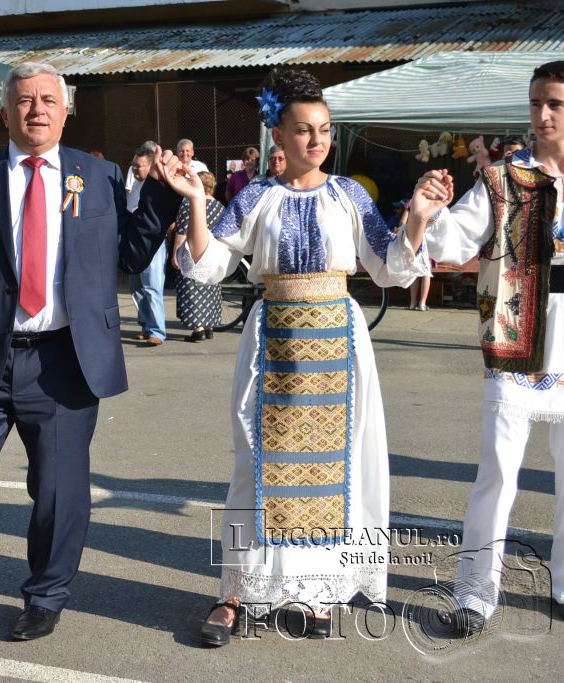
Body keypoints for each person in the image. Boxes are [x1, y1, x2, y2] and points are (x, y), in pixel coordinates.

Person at [0, 62, 183, 650]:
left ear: (66, 111)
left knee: (58, 491)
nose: (37, 110)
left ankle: (46, 597)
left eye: (48, 100)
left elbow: (129, 255)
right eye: (25, 101)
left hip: (65, 361)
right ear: (5, 113)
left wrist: (160, 192)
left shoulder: (96, 176)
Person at [166, 67, 431, 646]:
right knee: (254, 466)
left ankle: (317, 591)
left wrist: (415, 219)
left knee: (337, 470)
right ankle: (234, 593)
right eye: (305, 129)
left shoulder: (350, 195)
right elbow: (209, 265)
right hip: (273, 343)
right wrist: (196, 202)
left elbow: (389, 267)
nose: (317, 140)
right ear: (279, 135)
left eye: (325, 129)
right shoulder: (256, 196)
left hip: (339, 340)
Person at [419, 60, 564, 635]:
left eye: (555, 103)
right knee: (499, 467)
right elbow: (453, 239)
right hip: (515, 328)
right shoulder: (503, 178)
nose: (542, 114)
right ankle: (476, 590)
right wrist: (430, 212)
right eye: (536, 102)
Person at [171, 171, 223, 341]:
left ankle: (198, 329)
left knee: (191, 289)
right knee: (210, 288)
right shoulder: (220, 207)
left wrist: (175, 254)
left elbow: (182, 232)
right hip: (212, 253)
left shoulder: (189, 203)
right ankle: (209, 327)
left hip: (192, 253)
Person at [127, 143, 168, 346]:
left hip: (152, 244)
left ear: (150, 166)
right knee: (136, 288)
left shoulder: (155, 187)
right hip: (134, 242)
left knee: (152, 286)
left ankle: (157, 332)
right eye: (133, 165)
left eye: (139, 166)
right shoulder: (135, 185)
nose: (135, 169)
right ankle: (146, 325)